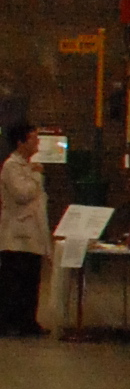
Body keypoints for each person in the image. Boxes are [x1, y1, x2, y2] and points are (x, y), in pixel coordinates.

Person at [0, 122, 49, 336]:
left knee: (31, 280)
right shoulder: (11, 167)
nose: (37, 142)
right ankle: (10, 323)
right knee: (14, 282)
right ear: (20, 142)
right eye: (33, 138)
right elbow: (22, 194)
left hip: (32, 235)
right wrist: (36, 176)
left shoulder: (27, 166)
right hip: (17, 235)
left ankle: (28, 321)